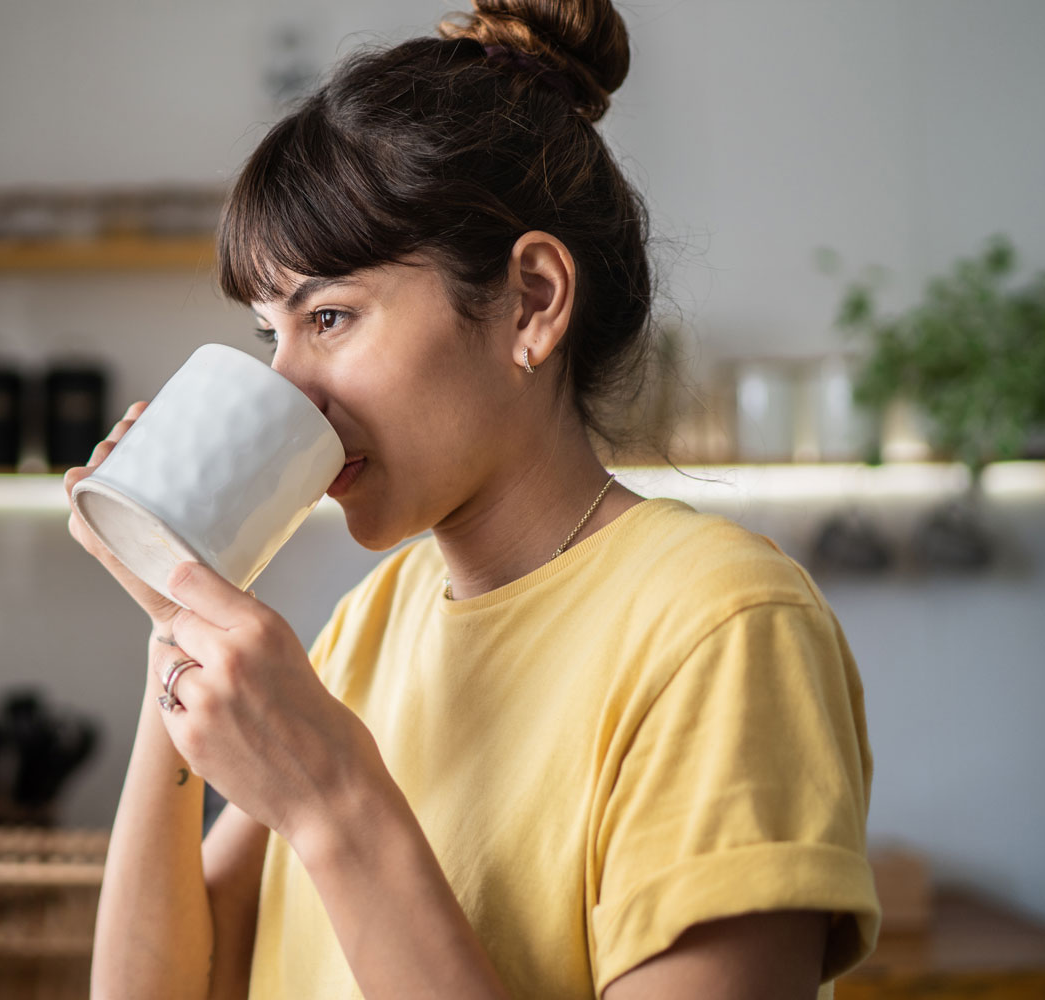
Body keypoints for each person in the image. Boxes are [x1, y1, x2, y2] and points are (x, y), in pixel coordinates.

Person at [65, 1, 880, 997]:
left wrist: (335, 801)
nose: (285, 386)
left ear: (531, 301)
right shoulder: (370, 627)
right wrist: (178, 609)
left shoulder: (720, 627)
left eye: (329, 315)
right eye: (265, 335)